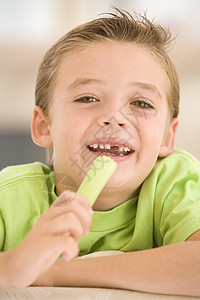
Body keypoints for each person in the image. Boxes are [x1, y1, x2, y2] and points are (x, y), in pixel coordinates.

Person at [1, 7, 200, 296]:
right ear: (44, 126)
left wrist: (50, 273)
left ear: (168, 137)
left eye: (141, 103)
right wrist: (12, 266)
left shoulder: (173, 183)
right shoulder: (11, 197)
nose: (115, 117)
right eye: (88, 98)